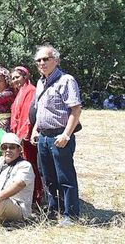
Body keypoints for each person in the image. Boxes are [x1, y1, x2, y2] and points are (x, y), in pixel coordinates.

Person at [30, 45, 82, 226]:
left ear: (56, 60)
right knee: (48, 176)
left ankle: (71, 214)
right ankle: (54, 210)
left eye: (46, 59)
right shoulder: (40, 82)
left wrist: (66, 135)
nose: (42, 63)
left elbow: (75, 110)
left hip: (60, 136)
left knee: (65, 177)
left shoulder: (66, 80)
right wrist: (35, 129)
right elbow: (40, 110)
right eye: (39, 60)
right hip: (43, 137)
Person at [9, 66, 43, 204]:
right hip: (19, 134)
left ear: (25, 76)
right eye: (12, 78)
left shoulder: (31, 90)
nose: (15, 80)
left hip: (27, 136)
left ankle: (37, 195)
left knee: (31, 164)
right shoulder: (20, 92)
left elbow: (30, 115)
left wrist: (24, 134)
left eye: (17, 77)